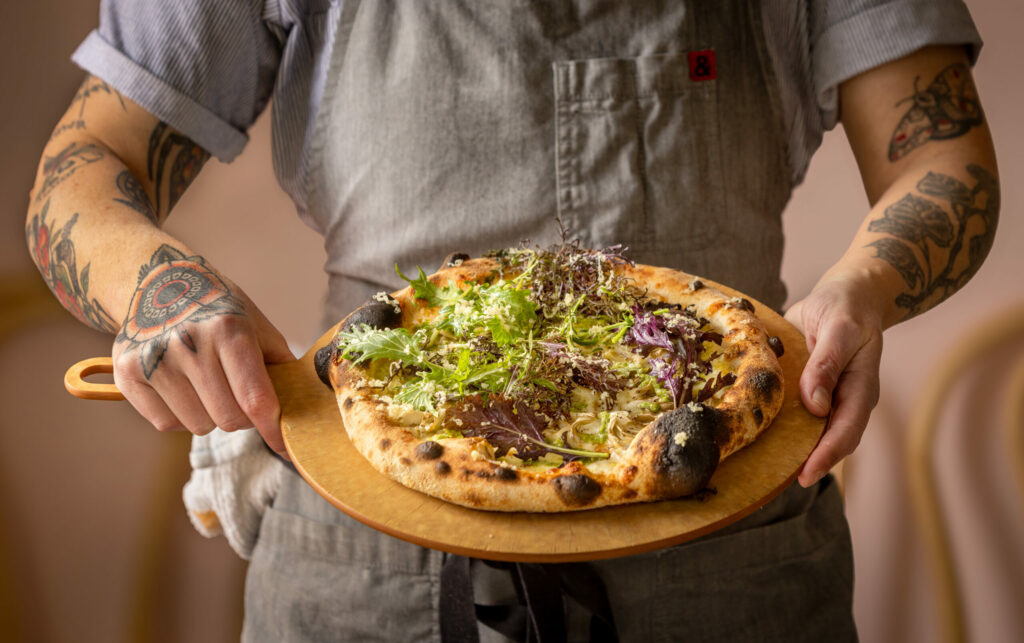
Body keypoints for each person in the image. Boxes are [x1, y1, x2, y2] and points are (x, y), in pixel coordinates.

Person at [27, 1, 997, 641]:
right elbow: (87, 165)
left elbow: (940, 155)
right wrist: (166, 292)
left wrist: (860, 290)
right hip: (364, 541)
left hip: (726, 545)